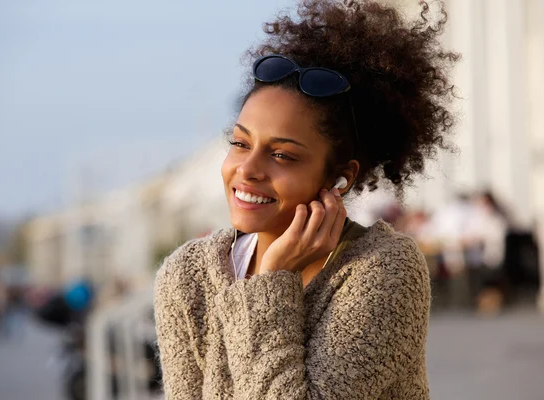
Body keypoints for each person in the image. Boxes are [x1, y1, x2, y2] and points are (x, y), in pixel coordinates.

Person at [154, 0, 458, 398]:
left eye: (282, 155)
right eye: (240, 143)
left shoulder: (383, 269)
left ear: (340, 177)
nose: (247, 169)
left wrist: (272, 277)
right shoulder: (188, 277)